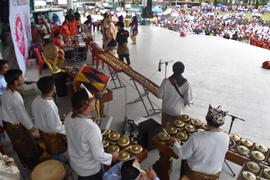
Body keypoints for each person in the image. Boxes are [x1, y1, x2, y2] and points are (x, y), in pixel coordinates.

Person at [65, 88, 119, 180]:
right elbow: (98, 155)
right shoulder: (91, 129)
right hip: (89, 170)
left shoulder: (69, 116)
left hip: (76, 162)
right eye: (92, 100)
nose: (94, 100)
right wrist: (111, 156)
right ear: (86, 107)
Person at [169, 105, 229, 180]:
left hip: (195, 175)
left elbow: (182, 155)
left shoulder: (196, 137)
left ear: (206, 119)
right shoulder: (226, 137)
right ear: (222, 124)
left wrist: (174, 143)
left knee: (187, 158)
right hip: (215, 175)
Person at [1, 69, 42, 168]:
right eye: (21, 77)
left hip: (7, 122)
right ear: (15, 82)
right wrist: (31, 127)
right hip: (15, 126)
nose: (23, 79)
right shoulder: (15, 97)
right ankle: (32, 163)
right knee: (25, 144)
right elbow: (22, 115)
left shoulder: (6, 91)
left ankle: (25, 161)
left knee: (18, 144)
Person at [31, 76, 66, 159]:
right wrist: (68, 130)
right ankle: (60, 164)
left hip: (42, 132)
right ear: (54, 88)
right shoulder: (49, 106)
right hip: (52, 136)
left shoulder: (36, 99)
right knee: (57, 153)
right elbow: (55, 127)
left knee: (50, 149)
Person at [159, 61, 193, 127]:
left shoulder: (165, 81)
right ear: (183, 71)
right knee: (174, 130)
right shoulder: (187, 84)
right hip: (177, 112)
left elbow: (159, 95)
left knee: (164, 130)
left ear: (172, 69)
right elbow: (188, 101)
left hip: (166, 110)